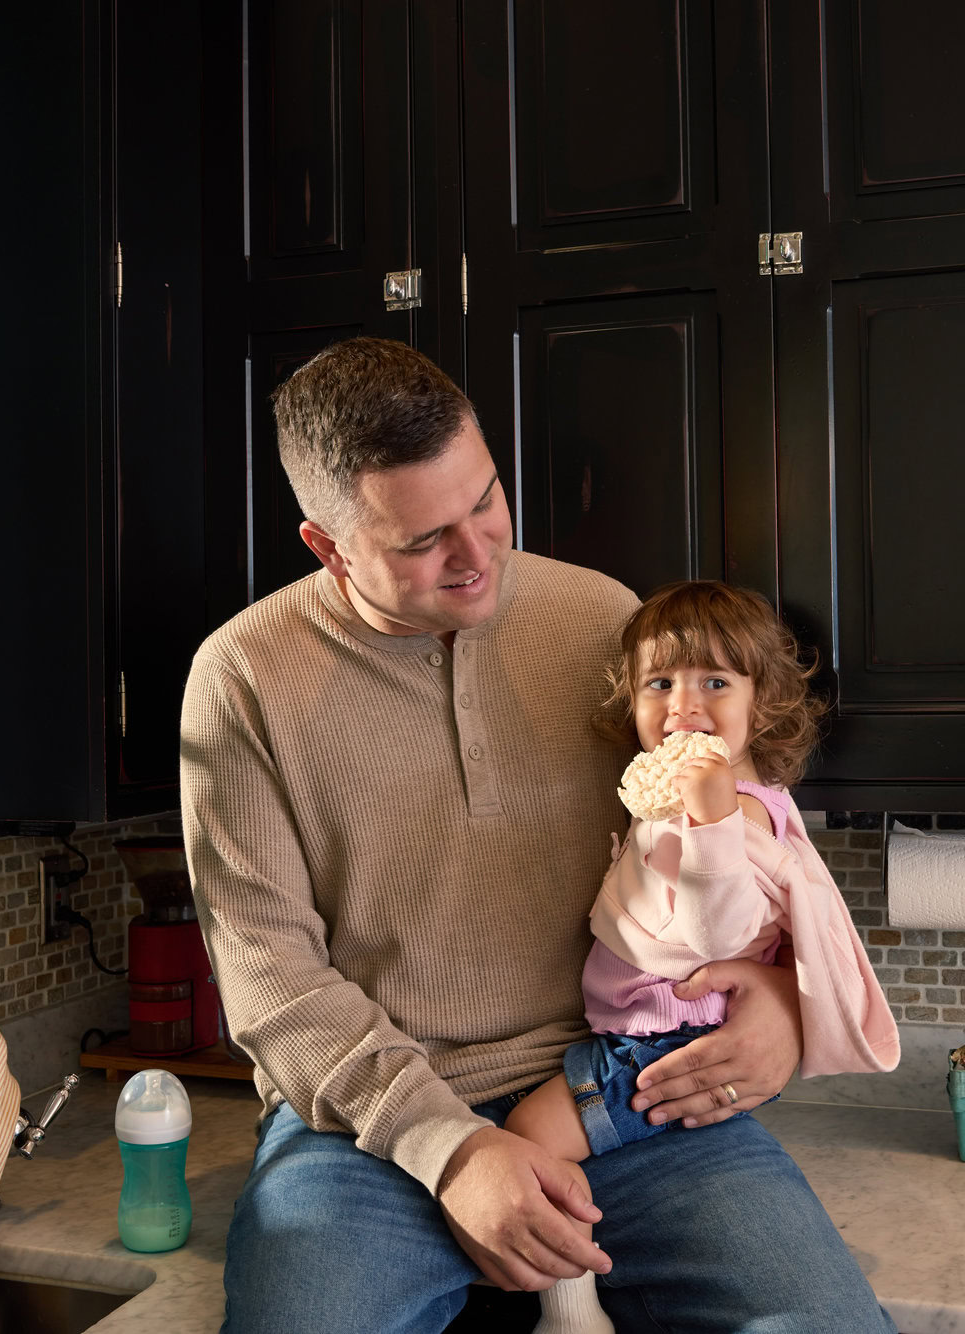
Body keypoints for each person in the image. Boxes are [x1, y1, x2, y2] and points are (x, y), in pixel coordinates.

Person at [180, 337, 901, 1333]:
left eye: (485, 499)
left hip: (625, 1092)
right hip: (367, 1136)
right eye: (423, 540)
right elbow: (272, 982)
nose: (478, 554)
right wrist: (452, 1150)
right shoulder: (241, 680)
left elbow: (734, 836)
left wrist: (782, 997)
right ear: (328, 547)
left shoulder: (602, 616)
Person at [502, 580, 902, 1333]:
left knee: (528, 1139)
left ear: (764, 703)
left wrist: (711, 821)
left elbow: (718, 933)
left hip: (664, 1043)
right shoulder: (689, 796)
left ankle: (572, 1311)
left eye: (715, 682)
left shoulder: (736, 810)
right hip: (646, 1032)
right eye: (660, 683)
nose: (684, 705)